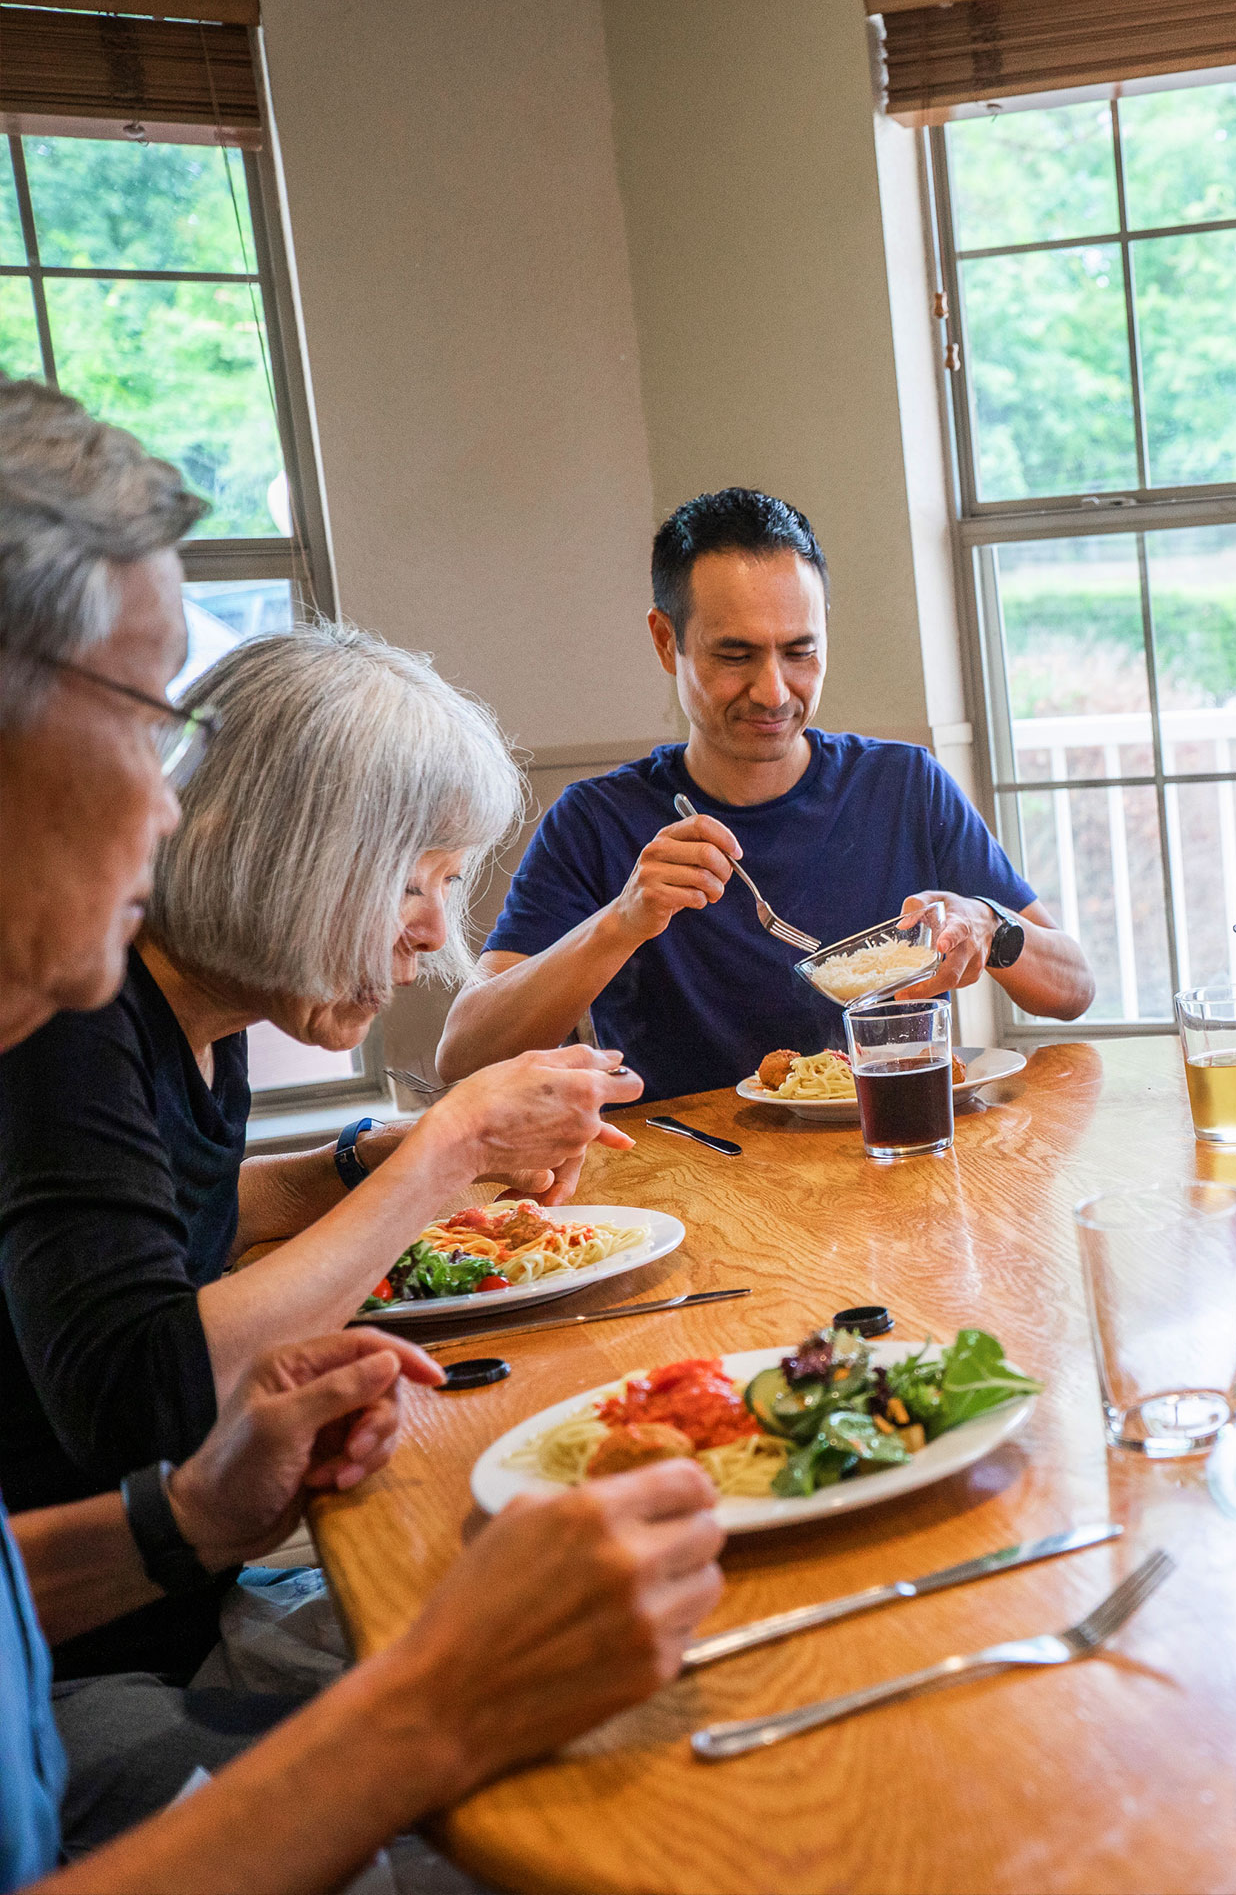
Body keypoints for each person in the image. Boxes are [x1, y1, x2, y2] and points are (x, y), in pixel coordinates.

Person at [0, 379, 724, 1892]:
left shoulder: (171, 1032)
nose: (171, 806)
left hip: (152, 1597)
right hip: (111, 1700)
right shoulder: (58, 1036)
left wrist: (193, 1516)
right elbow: (136, 1379)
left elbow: (151, 1239)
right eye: (145, 729)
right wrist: (438, 1151)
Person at [0, 623, 643, 1684]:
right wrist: (452, 1144)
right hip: (92, 1665)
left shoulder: (199, 1011)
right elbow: (145, 1395)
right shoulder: (76, 1020)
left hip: (198, 1595)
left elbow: (175, 1216)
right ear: (289, 858)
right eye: (413, 883)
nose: (436, 932)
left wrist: (380, 1163)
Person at [438, 488, 1093, 1097]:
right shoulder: (597, 821)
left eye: (800, 652)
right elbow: (464, 1057)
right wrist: (621, 922)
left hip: (894, 1158)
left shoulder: (904, 786)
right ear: (668, 642)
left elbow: (1072, 989)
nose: (775, 691)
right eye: (735, 655)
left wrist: (994, 925)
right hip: (687, 1189)